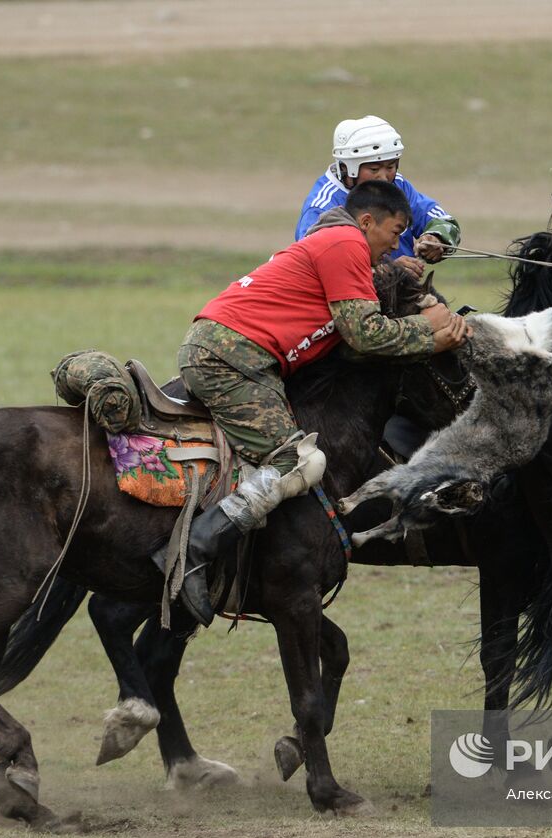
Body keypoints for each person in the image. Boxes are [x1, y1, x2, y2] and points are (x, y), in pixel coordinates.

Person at [168, 180, 469, 622]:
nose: (394, 244)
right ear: (368, 221)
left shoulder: (340, 243)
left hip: (240, 356)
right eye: (395, 231)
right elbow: (365, 333)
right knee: (298, 463)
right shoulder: (346, 244)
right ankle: (197, 548)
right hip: (230, 358)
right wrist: (431, 332)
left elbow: (350, 349)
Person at [296, 115, 461, 279]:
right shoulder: (322, 206)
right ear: (348, 168)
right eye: (374, 169)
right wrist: (386, 271)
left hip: (402, 294)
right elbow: (317, 267)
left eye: (390, 166)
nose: (384, 177)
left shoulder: (399, 185)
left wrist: (436, 237)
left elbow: (444, 221)